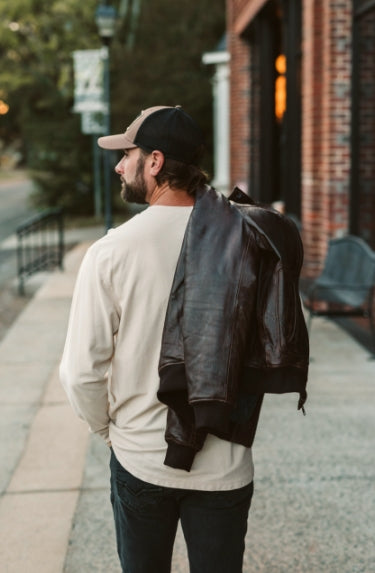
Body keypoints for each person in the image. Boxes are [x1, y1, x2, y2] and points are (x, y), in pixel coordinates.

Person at [60, 105, 309, 573]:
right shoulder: (246, 235)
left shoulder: (112, 251)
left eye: (127, 154)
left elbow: (80, 373)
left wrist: (108, 431)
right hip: (225, 463)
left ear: (154, 162)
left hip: (140, 458)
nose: (118, 165)